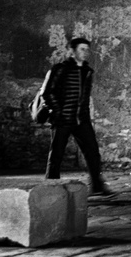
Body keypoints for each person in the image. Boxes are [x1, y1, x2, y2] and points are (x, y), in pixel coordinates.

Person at [41, 36, 112, 196]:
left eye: (87, 49)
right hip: (63, 119)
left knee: (93, 152)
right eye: (82, 49)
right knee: (57, 154)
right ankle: (51, 186)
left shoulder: (87, 71)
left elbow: (84, 98)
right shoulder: (60, 69)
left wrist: (85, 115)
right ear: (72, 51)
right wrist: (58, 112)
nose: (86, 52)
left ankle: (97, 185)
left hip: (81, 120)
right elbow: (47, 93)